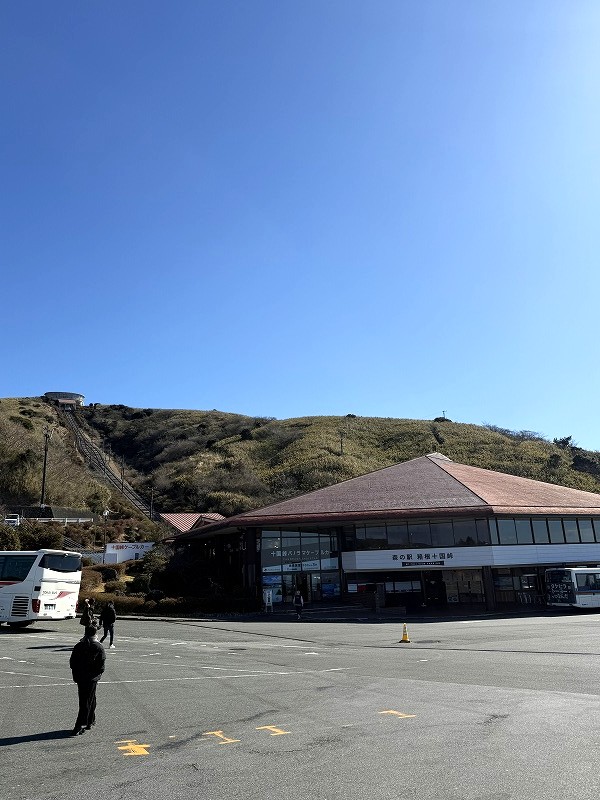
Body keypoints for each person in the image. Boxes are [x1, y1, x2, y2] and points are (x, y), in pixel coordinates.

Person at [69, 626, 105, 736]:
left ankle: (90, 720)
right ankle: (81, 724)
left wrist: (76, 675)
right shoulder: (98, 647)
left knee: (87, 699)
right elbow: (101, 666)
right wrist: (97, 675)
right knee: (88, 700)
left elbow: (72, 663)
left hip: (81, 677)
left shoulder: (79, 645)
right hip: (92, 678)